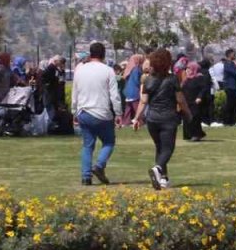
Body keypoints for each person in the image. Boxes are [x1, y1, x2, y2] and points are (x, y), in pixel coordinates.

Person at [134, 49, 189, 190]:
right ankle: (158, 169)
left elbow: (143, 101)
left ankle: (163, 179)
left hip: (152, 118)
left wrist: (136, 118)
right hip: (168, 117)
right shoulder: (172, 79)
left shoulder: (148, 80)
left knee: (160, 147)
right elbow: (180, 100)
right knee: (168, 148)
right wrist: (188, 113)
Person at [73, 42, 123, 186]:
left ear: (90, 53)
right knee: (109, 141)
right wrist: (118, 113)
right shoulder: (107, 70)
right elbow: (114, 95)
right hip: (101, 113)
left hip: (84, 112)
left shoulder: (79, 70)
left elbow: (75, 93)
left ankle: (86, 176)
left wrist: (74, 111)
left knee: (87, 145)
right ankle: (99, 165)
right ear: (103, 54)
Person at [180, 61, 210, 142]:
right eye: (187, 68)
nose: (187, 70)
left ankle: (196, 135)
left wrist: (199, 97)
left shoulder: (199, 78)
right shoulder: (186, 79)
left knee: (194, 118)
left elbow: (204, 89)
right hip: (186, 101)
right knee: (186, 118)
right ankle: (189, 134)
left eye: (189, 68)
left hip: (195, 100)